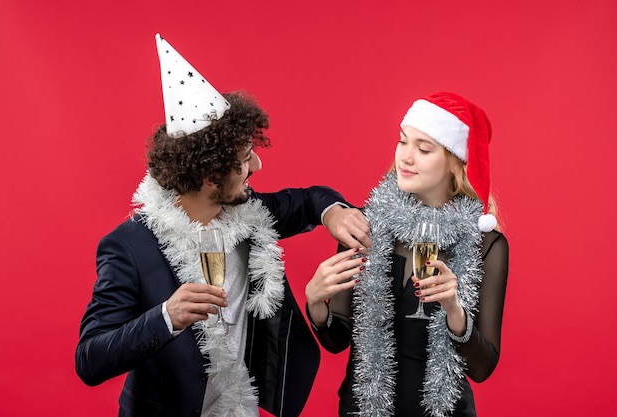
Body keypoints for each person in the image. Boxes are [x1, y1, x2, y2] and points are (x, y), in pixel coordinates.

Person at [75, 34, 370, 417]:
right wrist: (166, 317)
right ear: (212, 177)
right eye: (246, 159)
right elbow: (90, 359)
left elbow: (310, 199)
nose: (257, 168)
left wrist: (334, 212)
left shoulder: (249, 214)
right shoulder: (130, 247)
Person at [305, 92, 509, 417]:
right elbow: (338, 340)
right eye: (403, 142)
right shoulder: (362, 226)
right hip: (361, 410)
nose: (406, 157)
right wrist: (316, 303)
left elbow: (482, 368)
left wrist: (454, 310)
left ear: (455, 163)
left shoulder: (484, 244)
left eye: (424, 148)